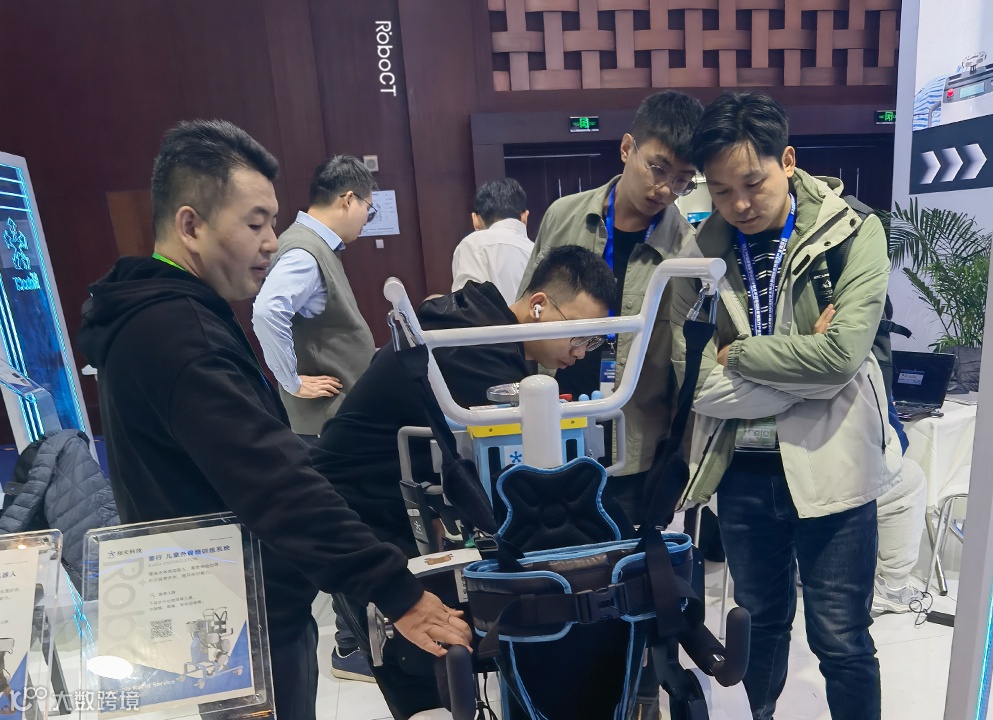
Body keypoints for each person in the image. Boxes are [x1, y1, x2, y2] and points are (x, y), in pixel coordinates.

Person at [77, 119, 470, 720]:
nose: (271, 242)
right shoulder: (180, 335)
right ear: (191, 225)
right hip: (230, 619)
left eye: (273, 223)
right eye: (255, 224)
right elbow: (271, 482)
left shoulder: (167, 315)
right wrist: (395, 590)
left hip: (215, 601)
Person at [312, 245, 617, 719]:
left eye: (593, 342)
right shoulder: (476, 352)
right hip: (360, 515)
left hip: (394, 504)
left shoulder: (480, 326)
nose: (580, 351)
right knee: (425, 668)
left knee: (444, 659)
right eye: (579, 334)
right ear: (539, 305)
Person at [671, 92, 901, 720]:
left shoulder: (853, 233)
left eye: (753, 183)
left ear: (788, 161)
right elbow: (694, 382)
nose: (740, 204)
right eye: (721, 190)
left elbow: (842, 358)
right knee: (758, 623)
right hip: (742, 472)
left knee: (842, 638)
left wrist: (740, 354)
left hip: (833, 465)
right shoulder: (700, 254)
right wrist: (807, 363)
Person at [517, 90, 704, 527]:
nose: (666, 189)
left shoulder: (687, 252)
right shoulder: (563, 216)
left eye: (683, 179)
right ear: (626, 148)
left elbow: (686, 367)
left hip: (635, 451)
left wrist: (682, 457)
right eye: (657, 168)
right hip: (551, 434)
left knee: (625, 564)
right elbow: (525, 315)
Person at [252, 155, 377, 439]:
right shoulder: (304, 252)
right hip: (326, 421)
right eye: (368, 209)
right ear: (348, 200)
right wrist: (291, 382)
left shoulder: (314, 244)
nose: (366, 220)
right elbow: (267, 312)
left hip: (336, 417)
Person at [451, 177, 533, 305]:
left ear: (476, 220)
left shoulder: (473, 244)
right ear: (525, 217)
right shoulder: (539, 251)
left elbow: (468, 307)